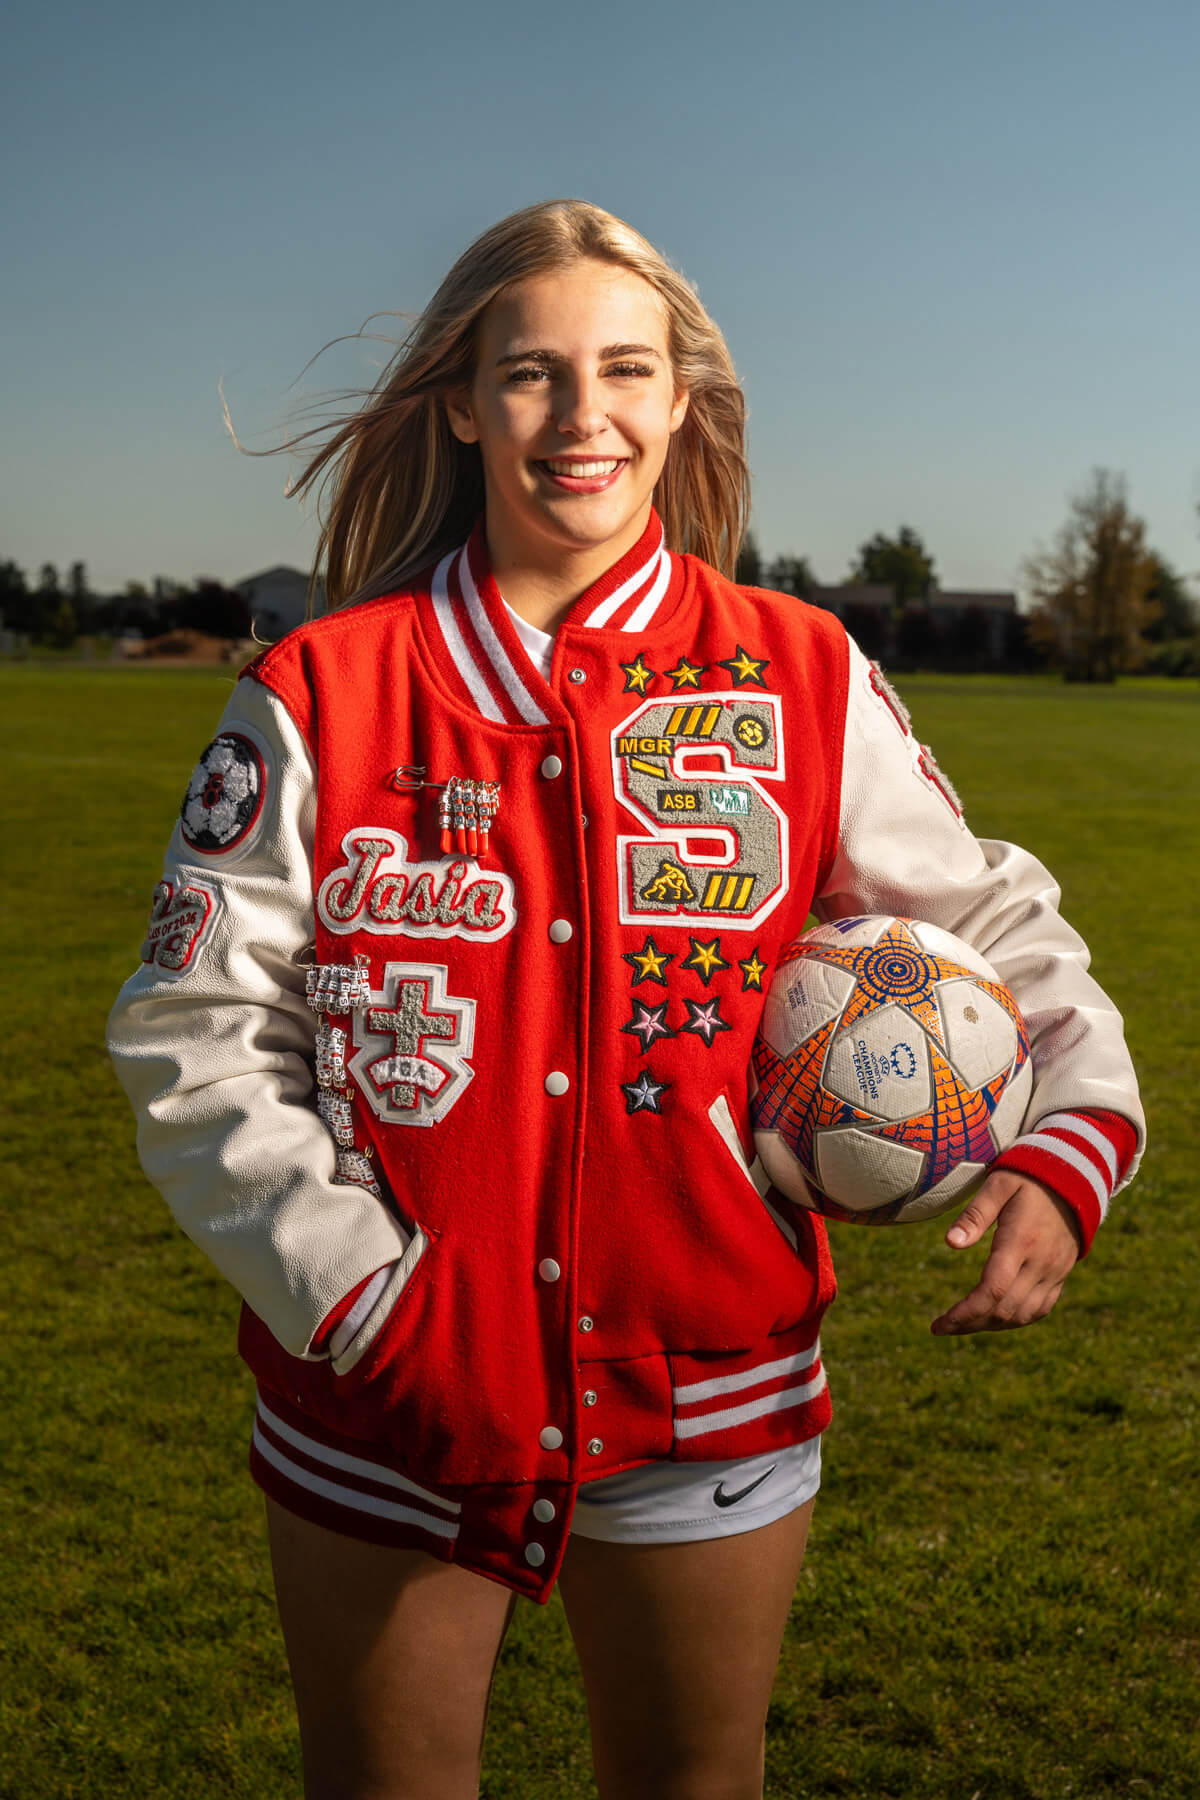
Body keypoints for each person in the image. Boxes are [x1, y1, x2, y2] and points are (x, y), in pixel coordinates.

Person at [108, 199, 1144, 1800]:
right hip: (384, 1398)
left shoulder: (798, 671)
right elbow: (196, 1031)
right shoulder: (326, 687)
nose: (580, 417)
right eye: (531, 373)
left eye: (625, 371)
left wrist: (1071, 1144)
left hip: (710, 1387)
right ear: (462, 401)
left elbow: (995, 916)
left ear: (680, 404)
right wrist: (370, 1304)